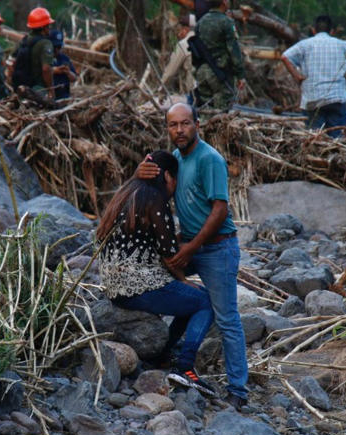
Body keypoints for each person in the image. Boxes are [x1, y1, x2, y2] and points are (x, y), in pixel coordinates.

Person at [136, 103, 249, 409]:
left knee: (226, 317)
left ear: (197, 124)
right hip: (188, 244)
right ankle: (168, 354)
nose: (179, 130)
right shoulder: (175, 159)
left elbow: (220, 209)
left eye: (185, 124)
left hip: (216, 249)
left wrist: (189, 248)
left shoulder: (209, 159)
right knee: (175, 294)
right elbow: (152, 192)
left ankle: (238, 389)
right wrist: (139, 172)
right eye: (173, 125)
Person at [98, 151, 216, 396]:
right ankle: (185, 368)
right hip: (138, 286)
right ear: (169, 177)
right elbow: (169, 254)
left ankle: (163, 355)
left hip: (114, 286)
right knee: (205, 301)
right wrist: (185, 275)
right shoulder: (155, 199)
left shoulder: (127, 193)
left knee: (189, 299)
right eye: (176, 181)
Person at [281, 15, 346, 138]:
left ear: (313, 30)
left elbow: (285, 57)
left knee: (315, 139)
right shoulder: (343, 45)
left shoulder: (304, 45)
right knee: (336, 140)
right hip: (336, 98)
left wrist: (297, 76)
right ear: (332, 31)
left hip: (312, 99)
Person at [192, 0, 245, 111]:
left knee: (204, 111)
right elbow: (234, 51)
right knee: (222, 114)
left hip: (201, 73)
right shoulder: (227, 23)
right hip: (220, 75)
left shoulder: (200, 22)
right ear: (224, 3)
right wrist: (240, 75)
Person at [11, 7, 55, 99]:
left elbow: (10, 63)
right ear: (43, 27)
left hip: (21, 88)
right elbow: (46, 69)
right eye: (48, 25)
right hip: (38, 89)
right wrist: (51, 90)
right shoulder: (45, 43)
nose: (49, 28)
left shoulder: (23, 41)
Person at [162, 17, 196, 102]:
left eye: (180, 30)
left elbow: (170, 72)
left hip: (195, 91)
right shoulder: (207, 40)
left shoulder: (184, 44)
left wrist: (161, 91)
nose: (179, 34)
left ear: (186, 29)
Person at [49, 29, 77, 101]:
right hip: (49, 95)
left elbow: (74, 78)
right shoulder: (45, 58)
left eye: (59, 47)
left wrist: (68, 72)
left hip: (64, 96)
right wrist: (54, 70)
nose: (57, 50)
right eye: (54, 47)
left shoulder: (65, 58)